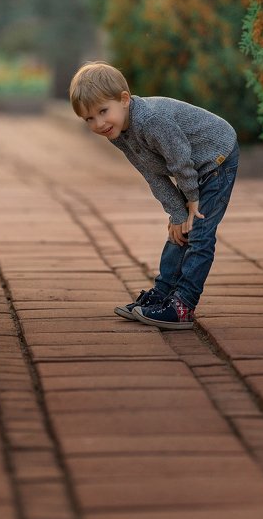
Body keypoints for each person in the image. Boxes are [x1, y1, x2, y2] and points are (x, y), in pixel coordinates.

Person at [69, 61, 239, 330]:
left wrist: (191, 199)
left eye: (103, 111)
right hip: (190, 169)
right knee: (179, 229)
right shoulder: (118, 132)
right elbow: (152, 173)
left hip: (216, 158)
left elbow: (179, 159)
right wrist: (176, 211)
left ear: (124, 99)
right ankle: (162, 295)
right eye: (89, 118)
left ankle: (182, 305)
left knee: (200, 234)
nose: (99, 123)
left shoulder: (150, 120)